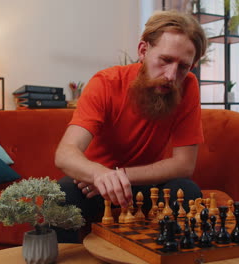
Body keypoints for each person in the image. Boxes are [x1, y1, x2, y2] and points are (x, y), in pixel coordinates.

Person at [54, 10, 208, 243]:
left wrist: (121, 175)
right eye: (165, 60)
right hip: (95, 185)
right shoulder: (105, 83)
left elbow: (184, 164)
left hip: (143, 183)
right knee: (60, 197)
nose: (171, 75)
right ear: (143, 51)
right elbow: (65, 154)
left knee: (187, 191)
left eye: (183, 67)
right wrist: (100, 175)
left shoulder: (187, 86)